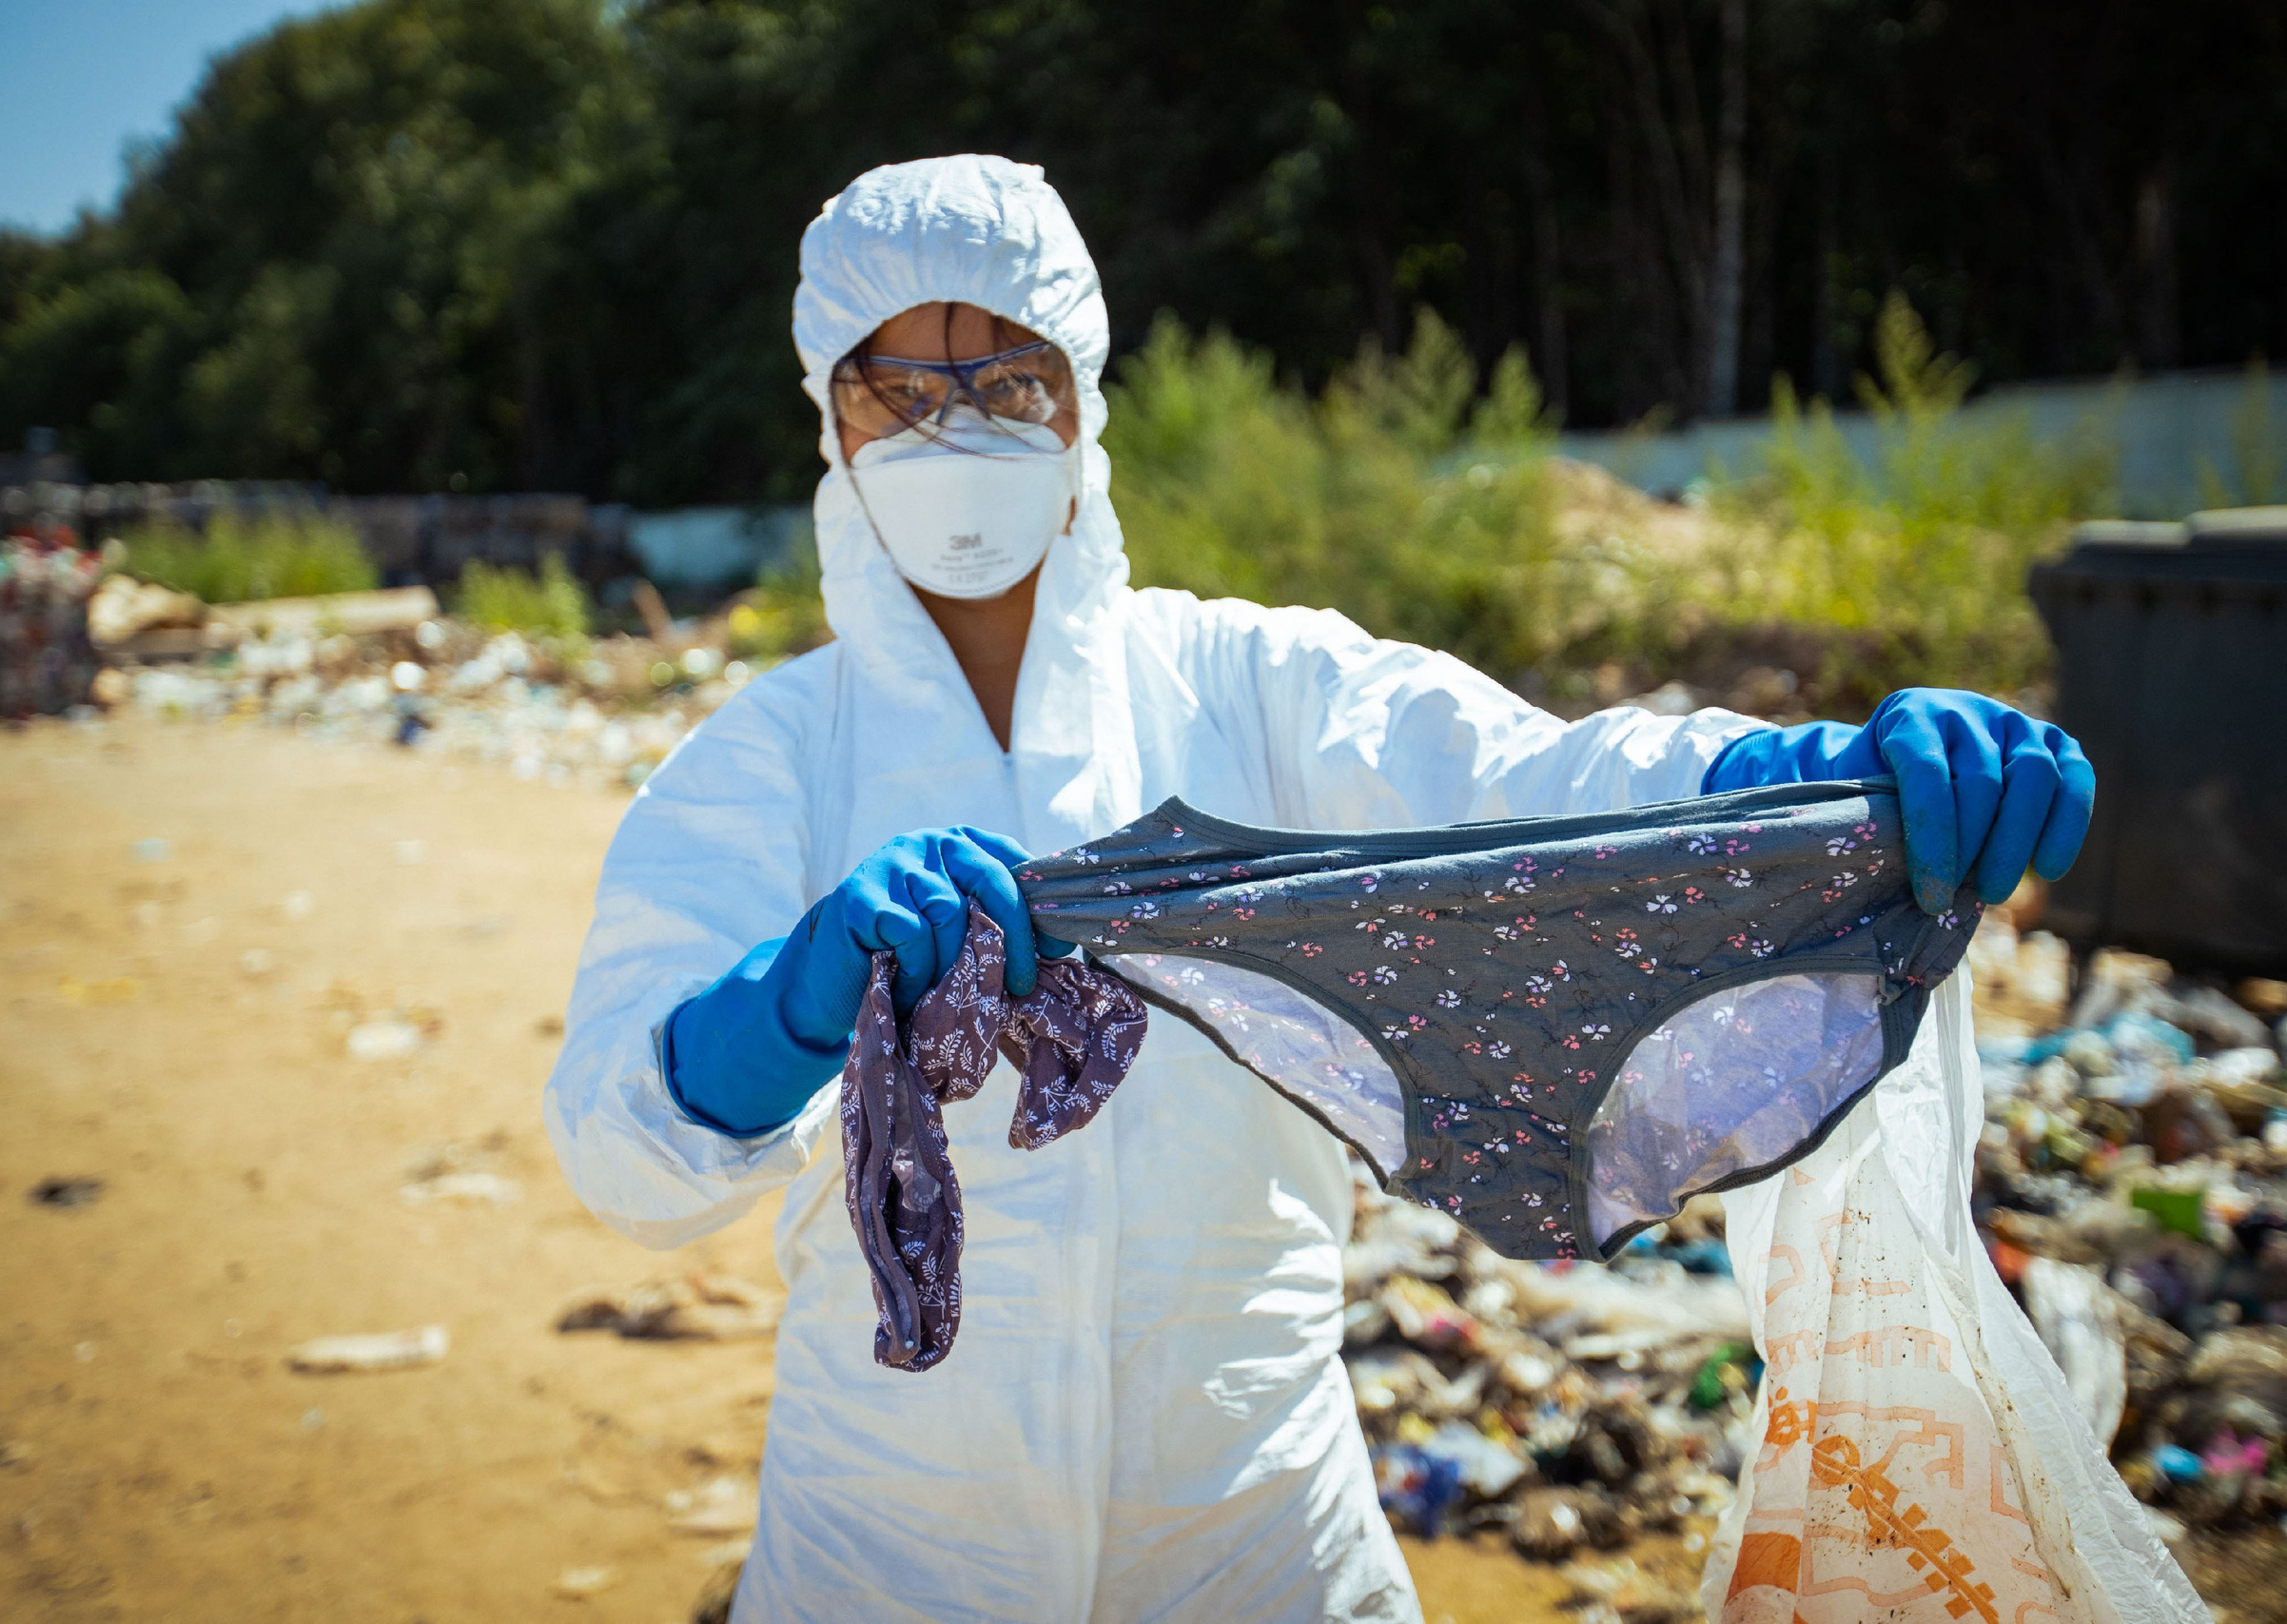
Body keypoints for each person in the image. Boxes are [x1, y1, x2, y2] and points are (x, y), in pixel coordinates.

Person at [543, 153, 2091, 1624]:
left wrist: (1798, 783)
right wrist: (793, 1001)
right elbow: (623, 1148)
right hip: (886, 1545)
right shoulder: (769, 759)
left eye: (1008, 382)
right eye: (901, 391)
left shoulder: (1251, 686)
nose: (959, 434)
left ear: (1083, 404)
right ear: (834, 422)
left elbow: (1531, 791)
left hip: (1258, 1527)